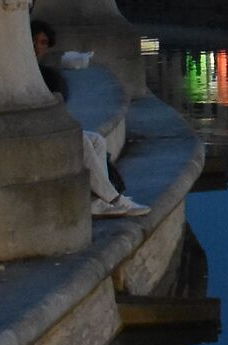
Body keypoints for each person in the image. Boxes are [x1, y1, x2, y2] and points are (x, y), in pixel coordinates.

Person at [30, 20, 149, 219]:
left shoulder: (47, 75)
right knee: (83, 142)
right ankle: (114, 199)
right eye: (34, 41)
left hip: (47, 129)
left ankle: (97, 202)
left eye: (42, 43)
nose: (37, 47)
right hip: (34, 136)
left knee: (97, 140)